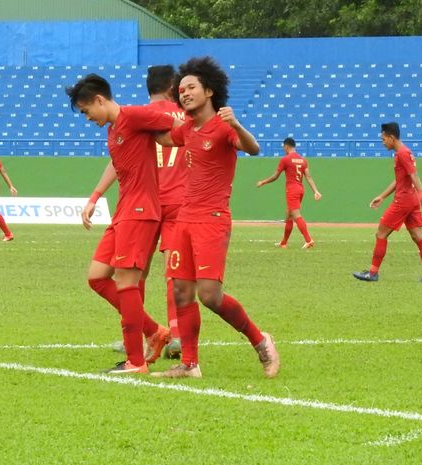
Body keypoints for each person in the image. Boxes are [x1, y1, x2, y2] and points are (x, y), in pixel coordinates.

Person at [151, 56, 280, 379]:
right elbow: (164, 138)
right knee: (181, 291)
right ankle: (190, 364)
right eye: (180, 89)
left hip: (212, 219)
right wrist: (132, 122)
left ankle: (260, 339)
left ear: (209, 90)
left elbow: (253, 148)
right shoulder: (188, 129)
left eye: (191, 87)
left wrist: (236, 124)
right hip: (184, 220)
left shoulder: (223, 128)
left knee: (210, 295)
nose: (184, 93)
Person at [66, 73, 182, 374]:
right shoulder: (115, 128)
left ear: (100, 100)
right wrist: (94, 197)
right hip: (123, 210)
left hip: (141, 210)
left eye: (85, 110)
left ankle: (135, 362)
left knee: (127, 283)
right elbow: (117, 163)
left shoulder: (133, 115)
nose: (86, 117)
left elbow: (175, 124)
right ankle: (155, 332)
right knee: (97, 277)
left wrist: (198, 138)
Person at [353, 122, 422, 282]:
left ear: (391, 137)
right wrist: (382, 196)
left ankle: (372, 273)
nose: (382, 142)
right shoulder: (404, 152)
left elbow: (414, 175)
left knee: (381, 233)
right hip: (410, 200)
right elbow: (401, 179)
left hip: (404, 200)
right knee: (418, 235)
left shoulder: (402, 154)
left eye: (383, 139)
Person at [256, 137, 322, 248]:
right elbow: (308, 177)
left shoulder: (285, 159)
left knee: (296, 215)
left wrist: (263, 182)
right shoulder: (303, 160)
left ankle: (308, 240)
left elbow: (275, 176)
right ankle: (284, 243)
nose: (283, 149)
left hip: (292, 190)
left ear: (286, 146)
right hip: (300, 189)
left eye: (283, 147)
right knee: (289, 216)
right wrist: (316, 191)